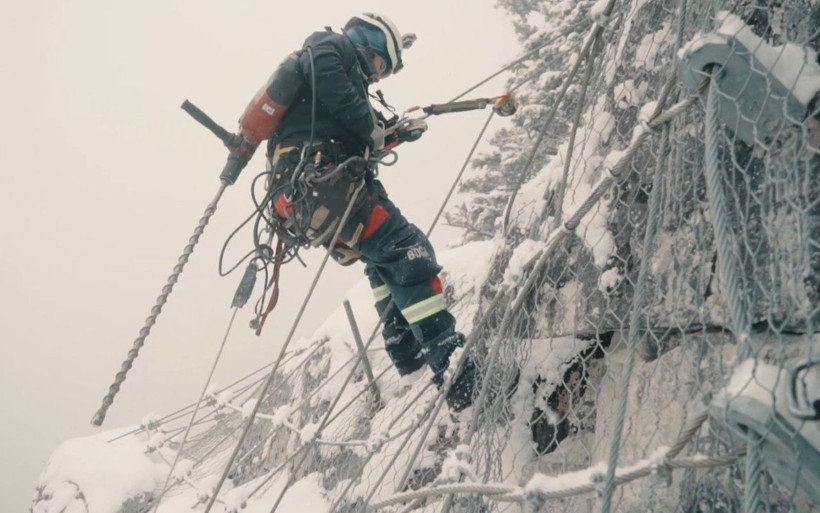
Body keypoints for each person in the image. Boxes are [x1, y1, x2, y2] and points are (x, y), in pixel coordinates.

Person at [240, 13, 476, 411]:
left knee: (379, 255)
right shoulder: (329, 46)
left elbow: (355, 127)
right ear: (368, 40)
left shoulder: (332, 92)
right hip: (321, 183)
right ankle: (452, 366)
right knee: (405, 248)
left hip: (311, 192)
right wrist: (372, 128)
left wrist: (394, 131)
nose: (380, 76)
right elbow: (337, 89)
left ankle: (404, 348)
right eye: (383, 63)